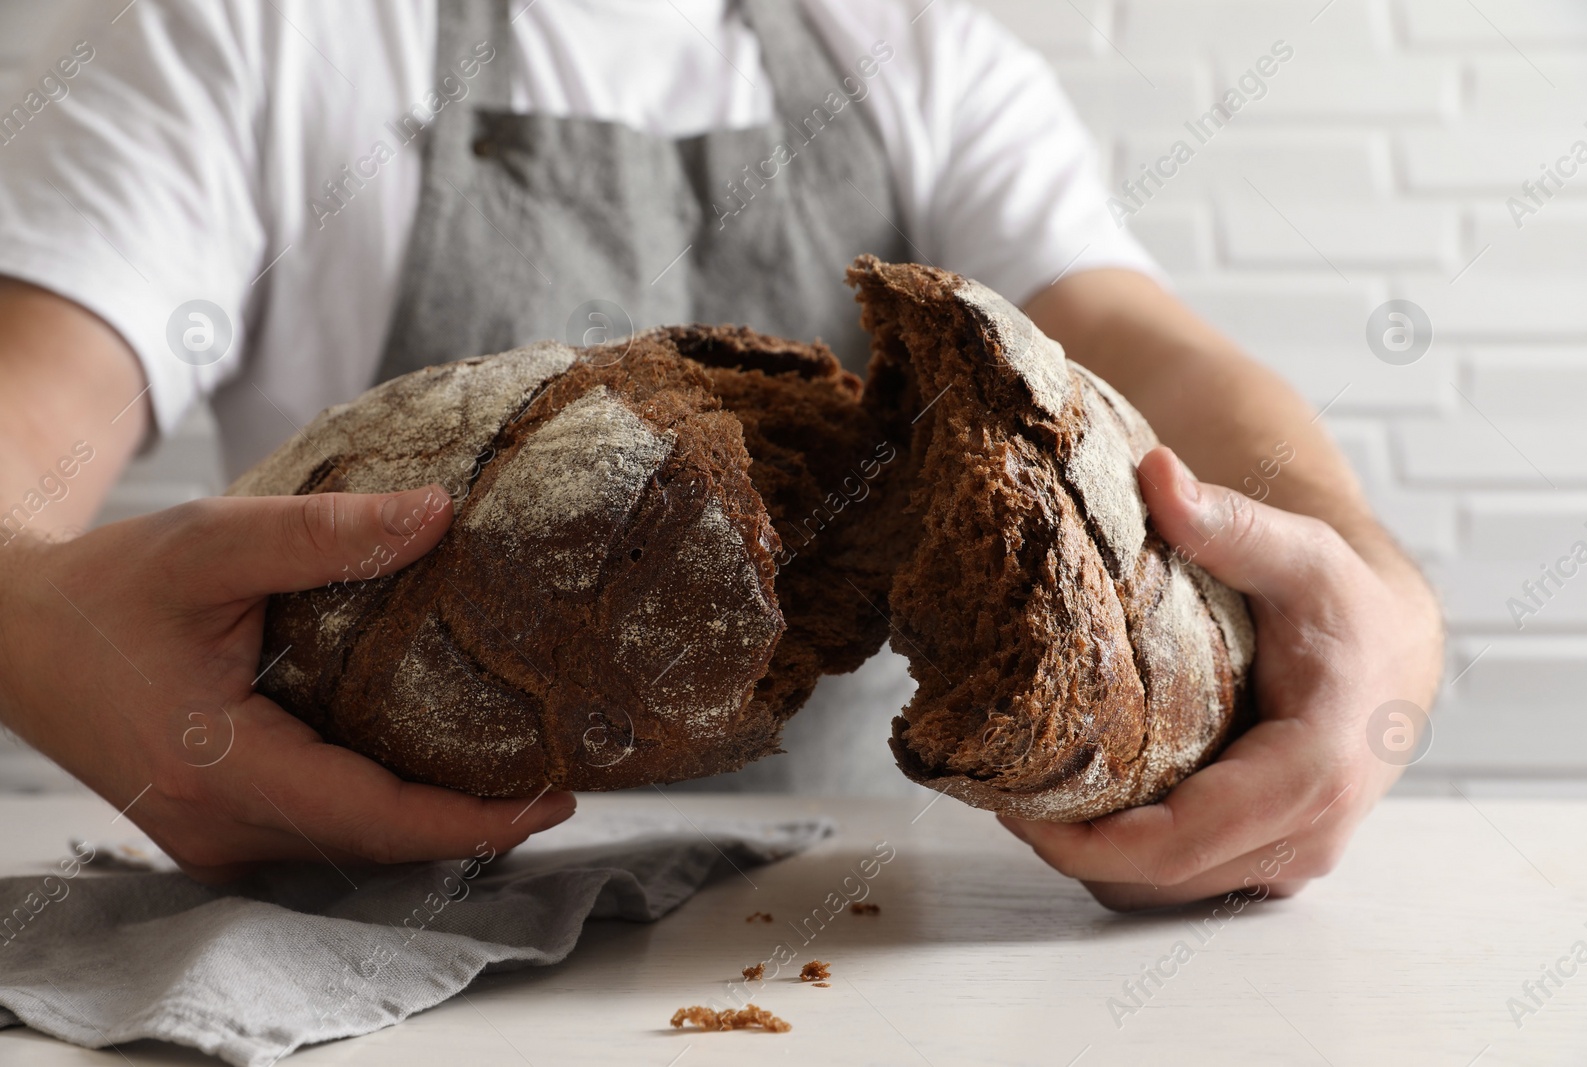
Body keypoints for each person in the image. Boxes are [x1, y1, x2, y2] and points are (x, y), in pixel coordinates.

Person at [0, 0, 1440, 907]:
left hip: (859, 925)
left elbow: (1137, 345)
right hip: (379, 936)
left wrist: (1373, 589)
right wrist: (30, 624)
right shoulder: (243, 31)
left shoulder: (920, 56)